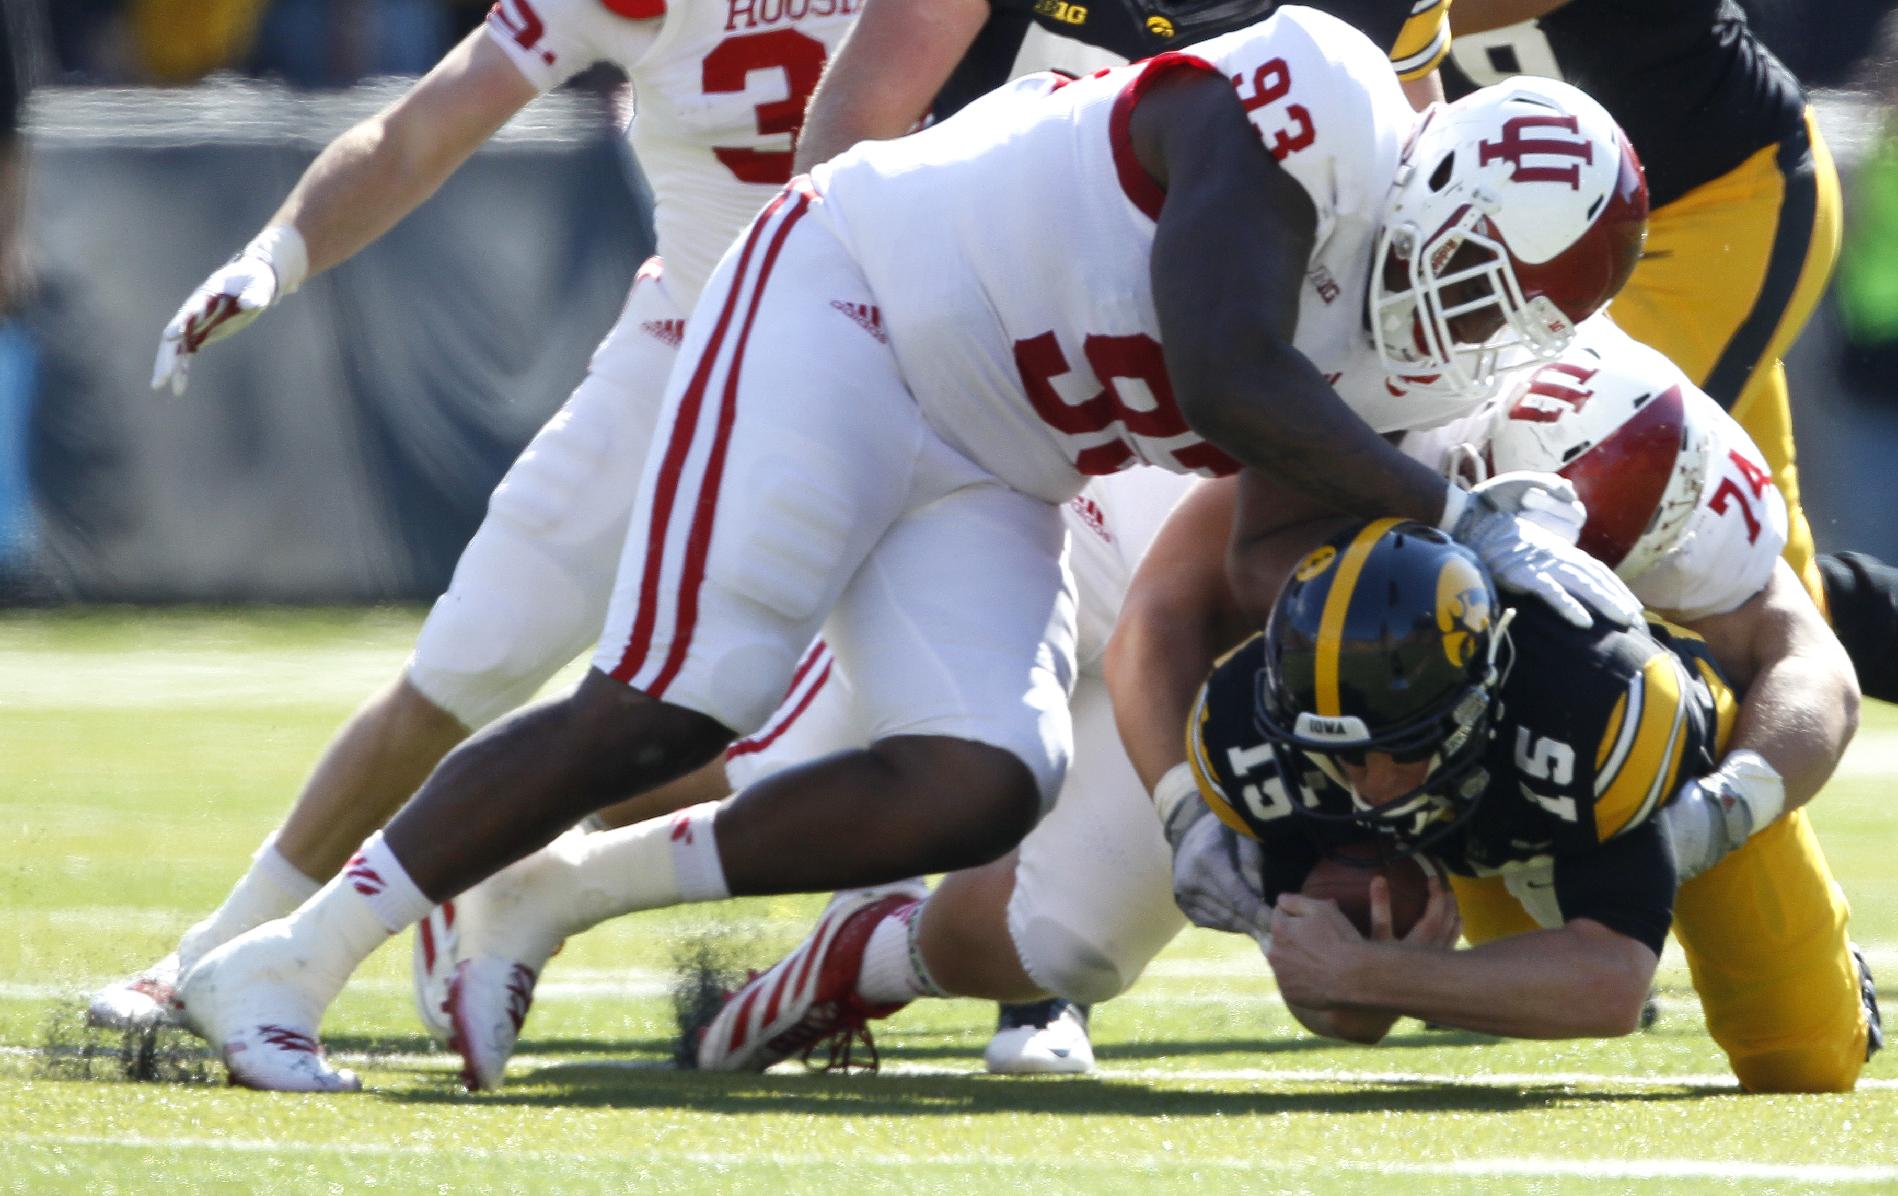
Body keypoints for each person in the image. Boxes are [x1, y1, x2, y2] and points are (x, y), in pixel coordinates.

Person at [177, 10, 1650, 1092]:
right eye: (1466, 280)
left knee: (984, 777)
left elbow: (1260, 549)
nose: (1456, 331)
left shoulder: (1423, 372)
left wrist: (1309, 784)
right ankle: (286, 962)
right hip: (850, 298)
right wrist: (1449, 514)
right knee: (686, 689)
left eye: (1499, 321)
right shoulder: (1316, 95)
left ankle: (547, 891)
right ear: (1440, 178)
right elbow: (1222, 372)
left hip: (1002, 457)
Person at [681, 316, 1874, 1082]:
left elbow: (1806, 657)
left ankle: (865, 945)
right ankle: (828, 932)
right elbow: (1166, 611)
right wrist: (1180, 809)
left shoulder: (1666, 495)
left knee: (1801, 1049)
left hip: (1487, 726)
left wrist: (1727, 802)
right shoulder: (1400, 402)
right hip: (1262, 634)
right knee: (1050, 920)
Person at [89, 0, 868, 1031]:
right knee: (469, 658)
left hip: (882, 370)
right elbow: (420, 131)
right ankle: (219, 945)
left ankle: (1001, 975)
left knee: (888, 707)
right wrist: (275, 253)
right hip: (686, 346)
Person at [1177, 515, 1877, 1090]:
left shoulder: (1593, 707)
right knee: (1510, 968)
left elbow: (1610, 988)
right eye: (1344, 754)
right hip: (1486, 819)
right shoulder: (1247, 735)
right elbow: (1339, 1012)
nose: (1373, 784)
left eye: (1404, 745)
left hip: (1671, 798)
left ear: (1478, 700)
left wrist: (1373, 973)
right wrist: (1335, 963)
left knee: (1803, 1059)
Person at [1438, 0, 1898, 704]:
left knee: (1587, 517)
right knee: (1765, 583)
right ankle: (1761, 802)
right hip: (1531, 243)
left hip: (1712, 203)